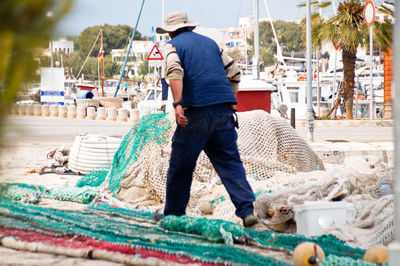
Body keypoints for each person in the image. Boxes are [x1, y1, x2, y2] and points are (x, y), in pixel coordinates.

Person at [155, 11, 257, 228]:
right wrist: (230, 98)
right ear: (190, 27)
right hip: (223, 113)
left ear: (170, 31)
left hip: (196, 113)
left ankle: (174, 215)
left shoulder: (172, 46)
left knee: (181, 164)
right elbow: (235, 73)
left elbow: (174, 71)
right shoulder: (211, 44)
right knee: (230, 163)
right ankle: (247, 211)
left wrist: (178, 104)